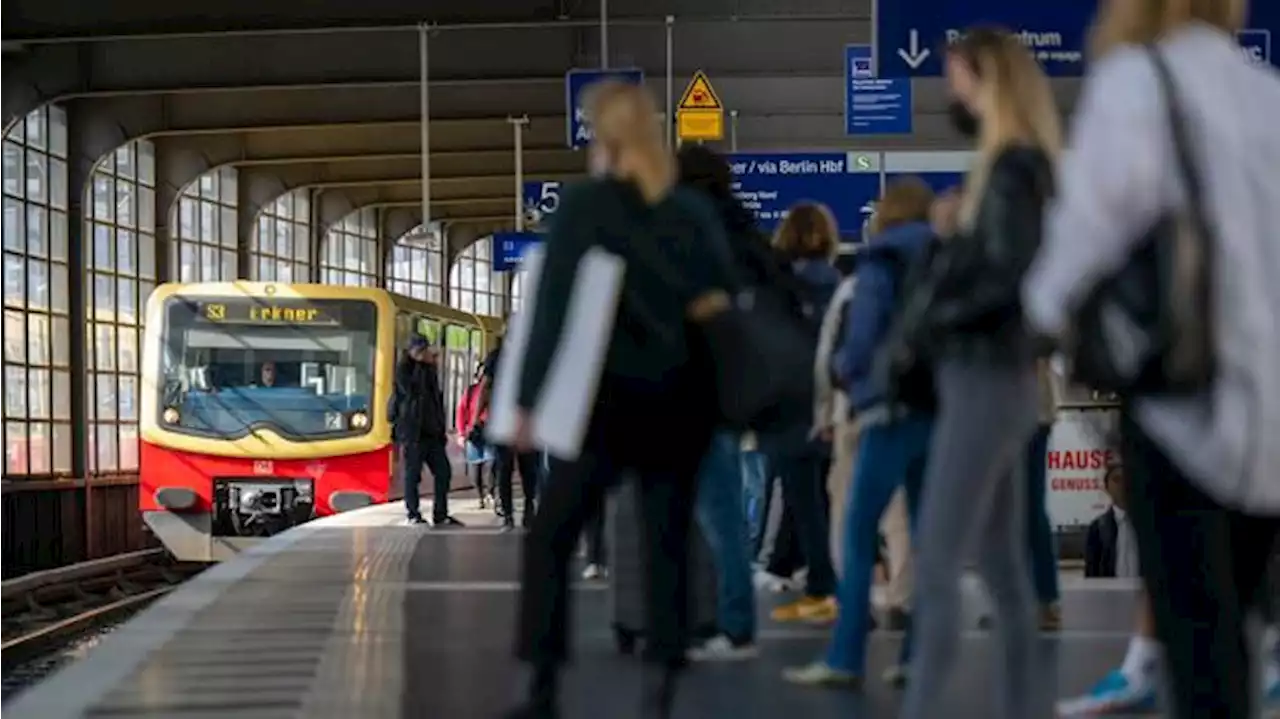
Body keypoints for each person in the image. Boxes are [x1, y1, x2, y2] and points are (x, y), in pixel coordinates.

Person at [1023, 0, 1280, 715]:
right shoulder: (1268, 92)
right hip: (1270, 427)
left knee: (1200, 651)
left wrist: (1031, 320)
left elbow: (1082, 235)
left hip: (1183, 411)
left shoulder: (1138, 81)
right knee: (1236, 638)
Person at [500, 81, 737, 719]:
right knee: (666, 541)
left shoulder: (587, 206)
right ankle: (660, 689)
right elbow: (721, 295)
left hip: (605, 404)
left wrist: (524, 402)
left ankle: (543, 686)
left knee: (552, 536)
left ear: (600, 138)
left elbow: (552, 307)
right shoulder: (689, 210)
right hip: (682, 400)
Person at [896, 27, 1060, 719]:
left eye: (954, 78)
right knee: (1003, 572)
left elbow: (1006, 275)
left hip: (985, 379)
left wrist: (934, 315)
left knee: (935, 560)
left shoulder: (1015, 169)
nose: (949, 93)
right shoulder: (1013, 168)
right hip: (1000, 378)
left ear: (985, 78)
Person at [784, 175, 938, 690]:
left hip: (885, 411)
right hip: (937, 412)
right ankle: (917, 653)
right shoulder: (947, 260)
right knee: (918, 530)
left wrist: (851, 384)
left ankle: (847, 654)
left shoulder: (880, 263)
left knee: (855, 527)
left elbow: (854, 345)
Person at [675, 144, 762, 661]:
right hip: (733, 383)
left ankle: (729, 624)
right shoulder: (744, 229)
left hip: (694, 381)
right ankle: (723, 619)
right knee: (722, 506)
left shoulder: (692, 230)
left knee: (710, 508)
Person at [763, 202, 842, 626]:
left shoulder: (781, 287)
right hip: (832, 402)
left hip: (791, 402)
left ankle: (821, 585)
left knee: (801, 494)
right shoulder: (840, 286)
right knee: (820, 496)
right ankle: (794, 569)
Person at [387, 338, 460, 527]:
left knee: (443, 472)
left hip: (432, 434)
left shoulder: (430, 371)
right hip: (413, 434)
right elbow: (412, 393)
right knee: (413, 475)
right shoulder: (404, 370)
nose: (426, 354)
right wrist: (419, 364)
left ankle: (441, 514)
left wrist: (441, 428)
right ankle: (413, 514)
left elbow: (435, 401)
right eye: (422, 351)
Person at [479, 338, 542, 531]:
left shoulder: (498, 358)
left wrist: (477, 415)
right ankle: (521, 511)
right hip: (517, 418)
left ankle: (514, 514)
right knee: (521, 468)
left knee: (511, 469)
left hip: (515, 419)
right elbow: (485, 386)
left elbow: (485, 386)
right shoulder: (530, 354)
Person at [1027, 360, 1063, 630]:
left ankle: (1045, 599)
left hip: (1028, 415)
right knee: (1020, 510)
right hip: (1025, 413)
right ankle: (1032, 599)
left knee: (1030, 508)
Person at [456, 363, 494, 510]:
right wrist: (461, 432)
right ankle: (480, 495)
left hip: (491, 431)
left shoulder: (495, 391)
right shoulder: (471, 391)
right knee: (475, 464)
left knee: (492, 463)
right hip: (474, 432)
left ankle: (490, 491)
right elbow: (461, 411)